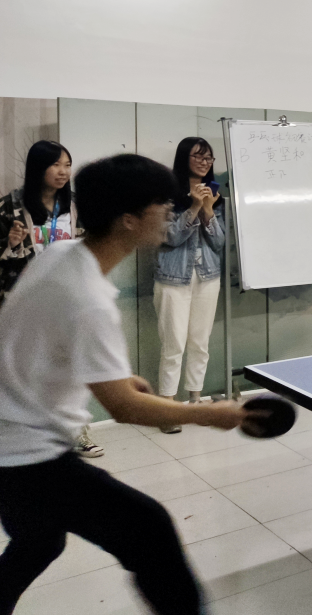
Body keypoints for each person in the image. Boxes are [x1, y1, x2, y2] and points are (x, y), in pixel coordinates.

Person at [0, 153, 252, 615]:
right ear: (129, 220)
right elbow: (126, 408)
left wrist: (111, 375)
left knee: (40, 540)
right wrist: (209, 413)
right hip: (25, 456)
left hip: (8, 443)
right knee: (149, 528)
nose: (171, 211)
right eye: (162, 204)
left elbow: (39, 340)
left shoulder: (62, 255)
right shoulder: (88, 300)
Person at [0, 141, 103, 458]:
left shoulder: (76, 205)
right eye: (55, 164)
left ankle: (77, 433)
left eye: (67, 164)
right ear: (38, 168)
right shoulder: (10, 207)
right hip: (25, 299)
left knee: (70, 367)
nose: (63, 171)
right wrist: (10, 244)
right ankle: (28, 434)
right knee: (27, 369)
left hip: (68, 298)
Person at [153, 138, 225, 434]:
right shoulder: (166, 194)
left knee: (199, 341)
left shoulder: (215, 193)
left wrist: (208, 210)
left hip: (208, 276)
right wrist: (194, 206)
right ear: (184, 158)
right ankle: (167, 409)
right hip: (173, 278)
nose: (205, 162)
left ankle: (195, 400)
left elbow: (219, 242)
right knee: (174, 345)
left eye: (209, 158)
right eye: (198, 156)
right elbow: (170, 237)